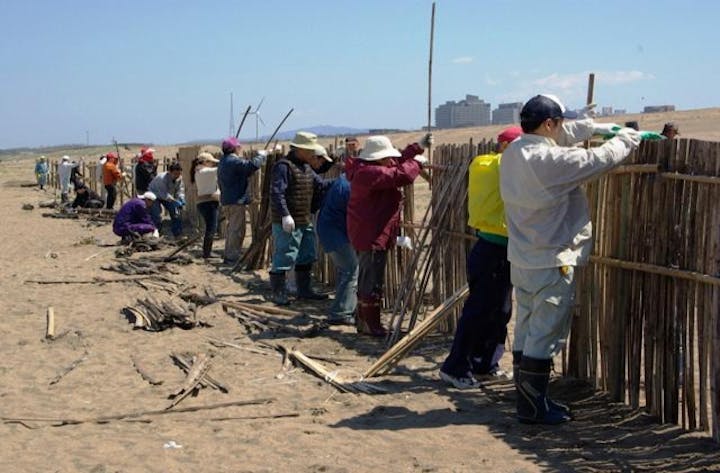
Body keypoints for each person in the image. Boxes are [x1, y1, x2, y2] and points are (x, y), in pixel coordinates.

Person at [499, 94, 642, 424]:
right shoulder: (549, 162)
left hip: (523, 258)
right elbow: (598, 160)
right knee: (545, 332)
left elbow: (560, 138)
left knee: (527, 328)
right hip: (551, 258)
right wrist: (626, 138)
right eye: (558, 123)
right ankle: (533, 409)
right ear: (549, 123)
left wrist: (588, 125)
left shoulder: (516, 153)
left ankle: (527, 403)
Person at [439, 126, 523, 389]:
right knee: (479, 311)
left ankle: (484, 363)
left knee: (500, 312)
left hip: (503, 249)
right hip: (492, 249)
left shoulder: (488, 163)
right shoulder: (494, 165)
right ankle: (455, 367)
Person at [346, 134, 430, 336]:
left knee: (368, 277)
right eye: (386, 157)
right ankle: (370, 324)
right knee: (371, 280)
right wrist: (416, 163)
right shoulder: (368, 172)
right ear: (377, 158)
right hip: (372, 234)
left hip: (369, 231)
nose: (390, 160)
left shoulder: (364, 167)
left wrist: (416, 148)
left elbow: (397, 163)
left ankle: (363, 321)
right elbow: (401, 175)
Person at [268, 131, 332, 305]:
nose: (312, 153)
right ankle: (278, 292)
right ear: (300, 149)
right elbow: (277, 192)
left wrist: (339, 181)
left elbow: (320, 185)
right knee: (285, 256)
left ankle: (304, 290)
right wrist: (285, 215)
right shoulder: (284, 166)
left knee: (306, 255)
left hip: (304, 219)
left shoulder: (306, 167)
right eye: (309, 150)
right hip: (288, 221)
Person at [217, 137, 267, 264]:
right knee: (236, 230)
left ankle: (230, 255)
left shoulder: (224, 161)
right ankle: (231, 257)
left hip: (229, 199)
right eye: (239, 147)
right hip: (235, 200)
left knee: (233, 228)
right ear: (234, 148)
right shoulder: (232, 161)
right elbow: (250, 166)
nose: (241, 149)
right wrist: (261, 156)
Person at [316, 172, 357, 325]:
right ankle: (341, 312)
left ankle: (345, 307)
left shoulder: (344, 179)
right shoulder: (349, 187)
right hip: (335, 233)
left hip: (329, 230)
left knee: (345, 269)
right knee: (351, 269)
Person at [191, 152, 221, 258]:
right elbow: (221, 168)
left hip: (203, 202)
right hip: (210, 203)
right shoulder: (207, 172)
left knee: (210, 227)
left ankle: (207, 251)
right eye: (211, 162)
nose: (213, 164)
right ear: (205, 162)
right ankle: (207, 253)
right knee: (211, 228)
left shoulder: (198, 172)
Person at [148, 161, 185, 237]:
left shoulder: (179, 178)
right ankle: (156, 233)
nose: (177, 176)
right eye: (175, 174)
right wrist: (174, 201)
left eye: (179, 174)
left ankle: (177, 233)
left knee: (175, 212)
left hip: (167, 196)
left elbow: (180, 189)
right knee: (156, 213)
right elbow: (163, 194)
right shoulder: (162, 178)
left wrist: (181, 197)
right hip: (155, 195)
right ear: (169, 172)